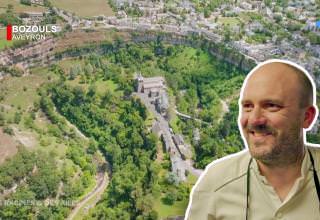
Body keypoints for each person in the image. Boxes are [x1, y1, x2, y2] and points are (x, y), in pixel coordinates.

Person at [185, 59, 320, 220]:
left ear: (307, 117)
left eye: (271, 105)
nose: (255, 120)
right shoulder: (216, 183)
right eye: (248, 106)